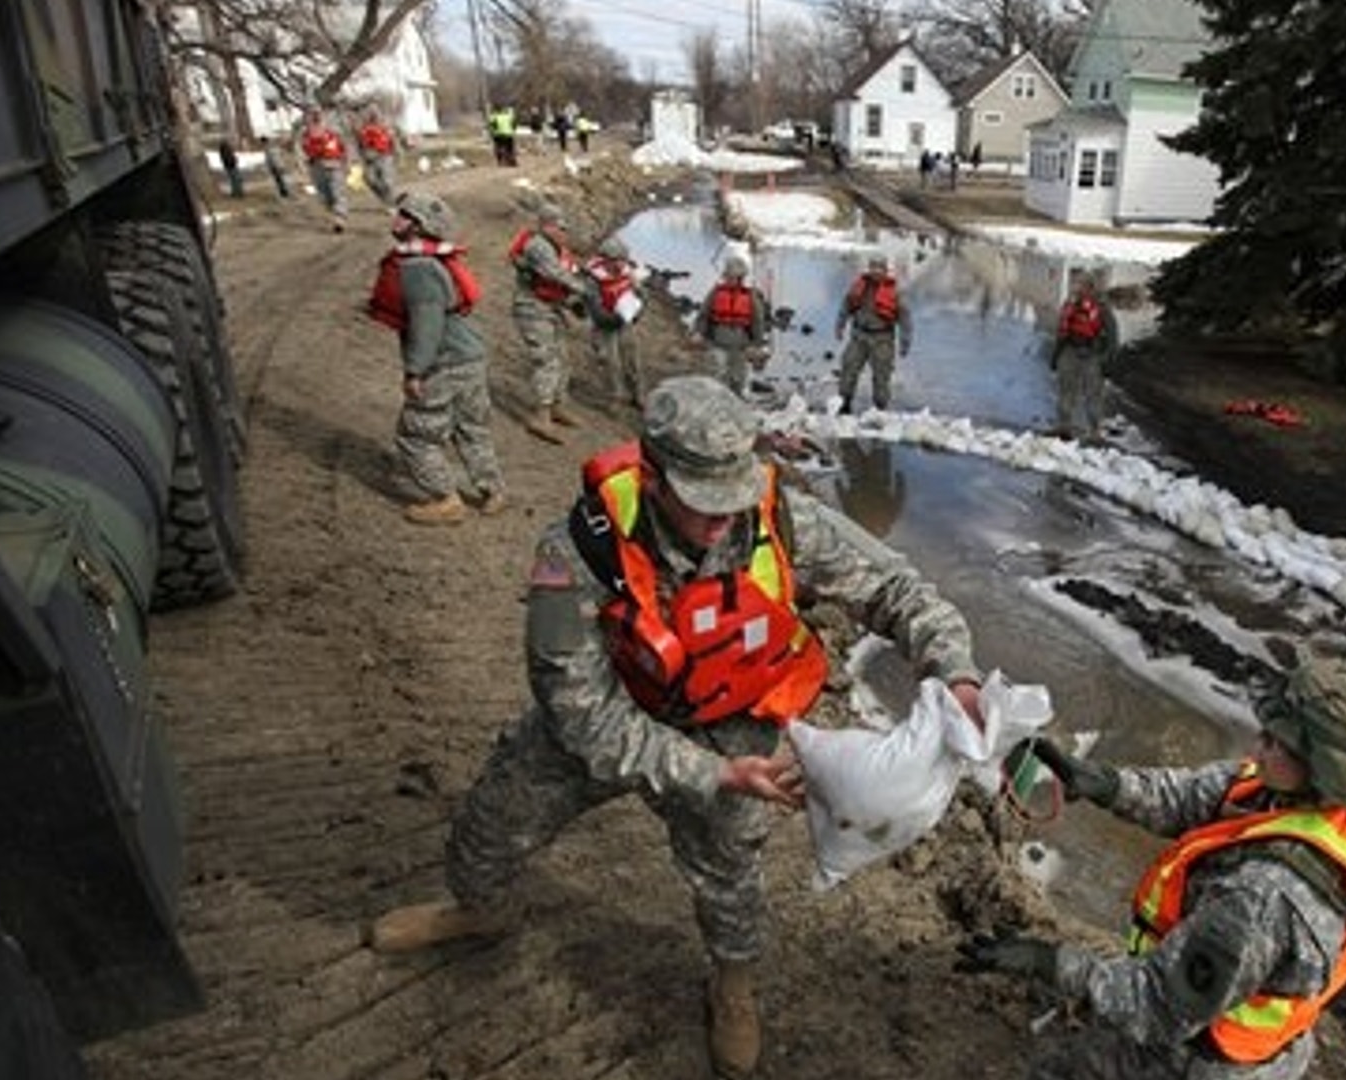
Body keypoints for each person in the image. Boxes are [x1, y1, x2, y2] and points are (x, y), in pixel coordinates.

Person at [366, 374, 990, 1080]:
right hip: (614, 713)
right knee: (492, 817)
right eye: (705, 506)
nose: (723, 521)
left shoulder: (773, 515)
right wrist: (707, 774)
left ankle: (733, 985)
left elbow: (897, 588)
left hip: (729, 720)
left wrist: (955, 672)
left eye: (734, 498)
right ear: (655, 479)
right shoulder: (575, 552)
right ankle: (476, 908)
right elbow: (578, 710)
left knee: (732, 874)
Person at [958, 658, 1346, 1080]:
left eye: (1275, 742)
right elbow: (1190, 795)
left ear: (1323, 771)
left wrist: (1050, 962)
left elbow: (1157, 1005)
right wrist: (1106, 785)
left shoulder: (1261, 898)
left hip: (1201, 1058)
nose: (1257, 745)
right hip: (1222, 1011)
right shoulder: (1308, 802)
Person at [364, 191, 505, 525]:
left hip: (445, 362)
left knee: (416, 435)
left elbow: (427, 325)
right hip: (469, 355)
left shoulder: (417, 268)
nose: (395, 218)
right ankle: (492, 490)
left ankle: (446, 498)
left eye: (404, 215)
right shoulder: (434, 260)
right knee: (472, 427)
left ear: (419, 226)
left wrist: (414, 372)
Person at [508, 201, 590, 443]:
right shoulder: (538, 247)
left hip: (551, 307)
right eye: (558, 228)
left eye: (563, 228)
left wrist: (573, 300)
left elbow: (557, 282)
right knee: (546, 360)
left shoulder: (551, 246)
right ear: (546, 225)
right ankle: (540, 416)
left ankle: (557, 406)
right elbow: (553, 274)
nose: (563, 233)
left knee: (563, 357)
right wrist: (584, 289)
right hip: (532, 309)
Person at [833, 254, 912, 412]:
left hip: (882, 339)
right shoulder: (859, 286)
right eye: (873, 267)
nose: (876, 271)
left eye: (879, 268)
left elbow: (905, 318)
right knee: (849, 367)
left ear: (885, 270)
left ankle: (880, 408)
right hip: (859, 336)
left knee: (882, 375)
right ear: (869, 268)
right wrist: (839, 326)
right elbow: (845, 306)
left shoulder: (896, 291)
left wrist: (905, 342)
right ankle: (844, 403)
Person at [1051, 268, 1121, 441]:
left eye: (1080, 284)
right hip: (1070, 350)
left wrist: (1108, 362)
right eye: (1076, 284)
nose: (1076, 287)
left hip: (1093, 354)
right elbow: (1061, 331)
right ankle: (1064, 426)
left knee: (1093, 395)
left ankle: (1095, 432)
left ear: (1090, 287)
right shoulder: (1070, 304)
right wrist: (1056, 355)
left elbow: (1113, 337)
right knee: (1066, 390)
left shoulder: (1102, 308)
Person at [693, 255, 771, 397]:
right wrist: (699, 332)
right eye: (728, 276)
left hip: (740, 347)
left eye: (733, 277)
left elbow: (757, 322)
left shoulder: (750, 296)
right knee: (718, 375)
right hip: (717, 343)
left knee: (738, 380)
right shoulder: (716, 292)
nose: (729, 280)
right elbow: (703, 315)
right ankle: (716, 405)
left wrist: (757, 345)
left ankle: (737, 403)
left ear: (741, 278)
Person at [583, 235, 644, 412]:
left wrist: (637, 308)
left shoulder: (629, 273)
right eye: (616, 260)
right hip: (604, 326)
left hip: (626, 323)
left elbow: (641, 296)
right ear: (605, 260)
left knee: (632, 359)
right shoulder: (592, 279)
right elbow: (595, 309)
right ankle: (616, 397)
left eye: (622, 260)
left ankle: (637, 395)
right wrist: (614, 318)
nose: (620, 265)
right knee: (611, 363)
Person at [300, 109, 348, 231]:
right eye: (313, 113)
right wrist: (303, 164)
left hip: (333, 164)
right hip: (316, 166)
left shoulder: (333, 130)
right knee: (324, 196)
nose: (316, 116)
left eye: (318, 113)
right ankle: (333, 212)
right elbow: (302, 149)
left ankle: (340, 219)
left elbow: (343, 146)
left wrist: (346, 162)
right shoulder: (306, 133)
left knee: (337, 192)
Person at [357, 109, 398, 206]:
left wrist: (396, 153)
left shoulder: (386, 128)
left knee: (387, 181)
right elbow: (361, 145)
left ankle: (391, 202)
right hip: (371, 158)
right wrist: (363, 156)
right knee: (369, 179)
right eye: (372, 115)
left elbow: (392, 142)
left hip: (385, 156)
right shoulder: (364, 130)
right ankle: (384, 197)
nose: (374, 117)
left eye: (376, 115)